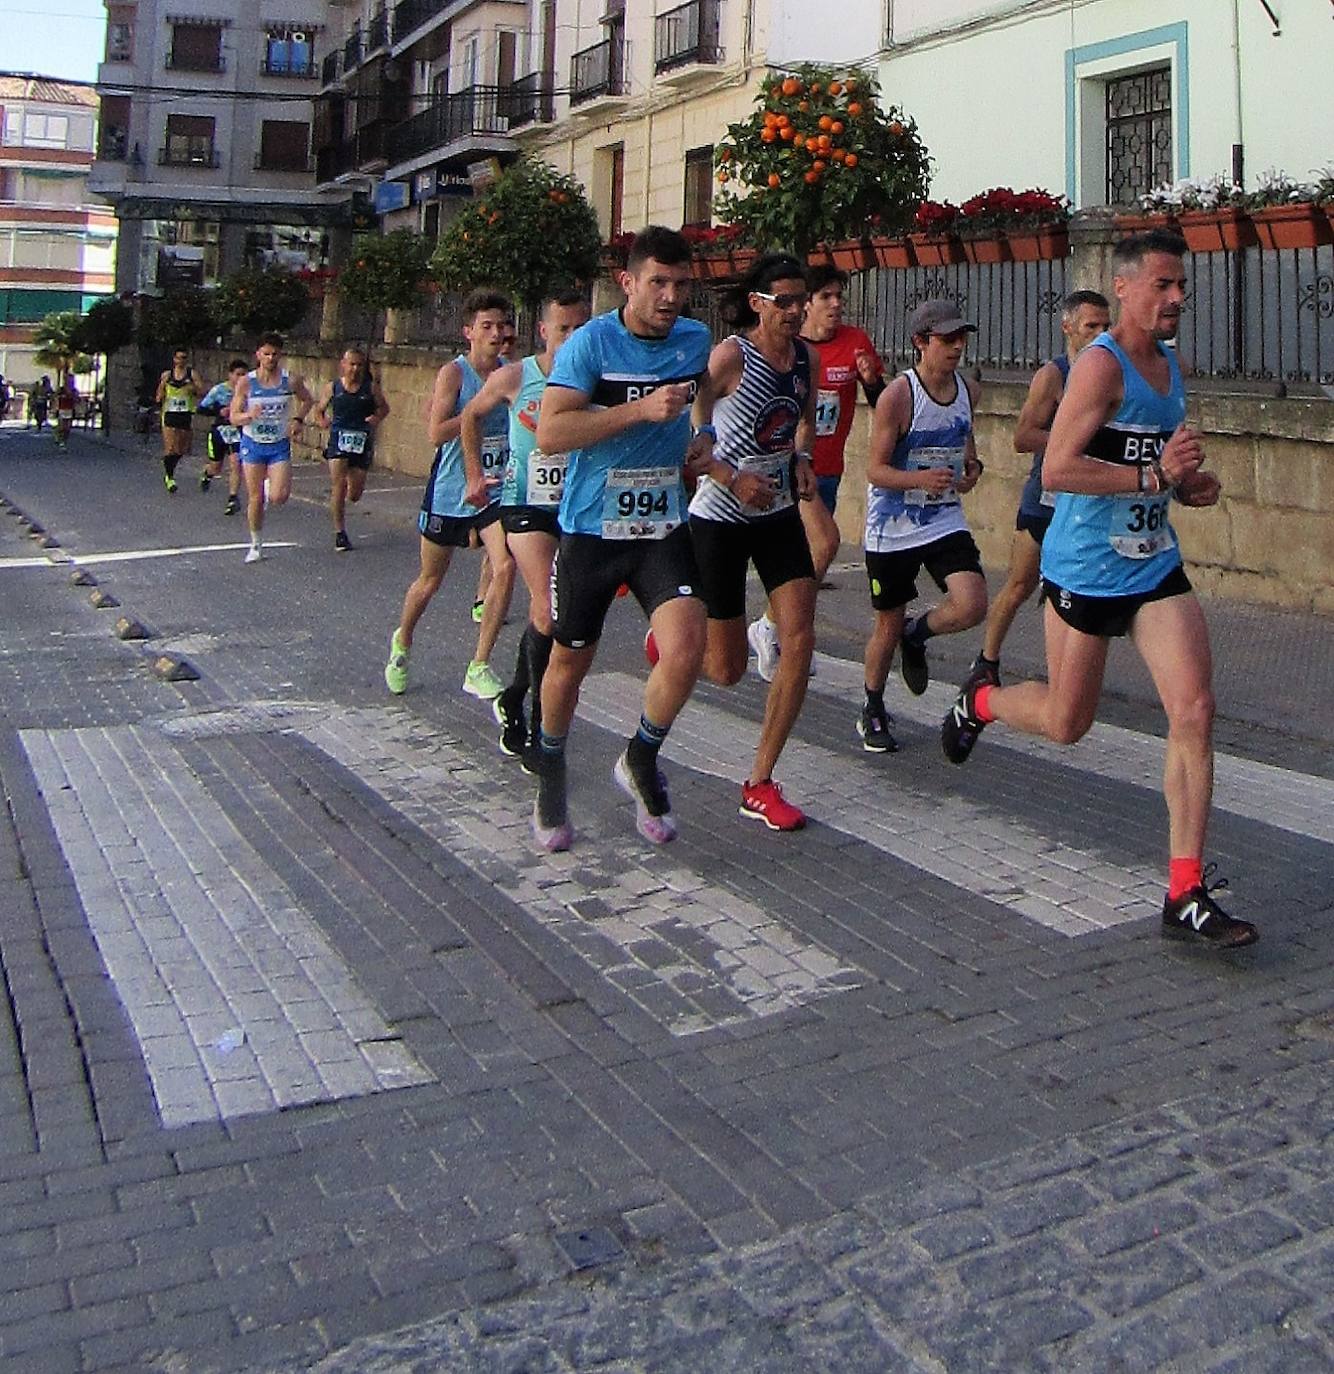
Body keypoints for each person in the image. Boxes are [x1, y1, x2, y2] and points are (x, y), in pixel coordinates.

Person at [941, 229, 1257, 949]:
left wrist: (1190, 487)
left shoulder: (1171, 366)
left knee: (1195, 709)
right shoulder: (1100, 368)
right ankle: (982, 700)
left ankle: (1185, 889)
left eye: (1182, 286)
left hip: (1152, 567)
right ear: (1125, 287)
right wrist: (1154, 478)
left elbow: (1164, 468)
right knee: (1066, 722)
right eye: (1164, 286)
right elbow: (1055, 469)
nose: (1178, 298)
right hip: (1084, 568)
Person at [531, 225, 713, 852]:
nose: (670, 297)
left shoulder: (695, 339)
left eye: (681, 285)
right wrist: (638, 410)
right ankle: (551, 768)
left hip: (662, 524)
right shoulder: (590, 344)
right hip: (590, 529)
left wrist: (704, 435)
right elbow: (551, 433)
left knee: (689, 644)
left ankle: (640, 756)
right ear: (627, 283)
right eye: (657, 283)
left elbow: (703, 396)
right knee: (568, 664)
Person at [680, 253, 820, 831]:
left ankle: (759, 781)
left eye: (801, 301)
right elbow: (694, 421)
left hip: (779, 511)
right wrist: (728, 475)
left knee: (801, 640)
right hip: (719, 515)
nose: (795, 311)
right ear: (758, 303)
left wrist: (802, 457)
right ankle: (674, 634)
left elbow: (804, 418)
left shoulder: (804, 357)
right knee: (726, 670)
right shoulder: (732, 355)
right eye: (783, 301)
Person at [462, 290, 590, 758]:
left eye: (581, 327)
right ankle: (539, 729)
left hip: (576, 506)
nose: (574, 337)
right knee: (547, 610)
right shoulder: (517, 377)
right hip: (524, 506)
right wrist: (474, 473)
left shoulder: (593, 381)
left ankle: (514, 695)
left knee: (565, 611)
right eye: (564, 329)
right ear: (543, 331)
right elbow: (470, 418)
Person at [745, 263, 885, 681]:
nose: (836, 304)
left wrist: (872, 381)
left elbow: (881, 401)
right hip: (785, 468)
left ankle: (779, 630)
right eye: (826, 297)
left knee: (802, 561)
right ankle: (776, 631)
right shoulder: (789, 348)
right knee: (825, 544)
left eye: (839, 296)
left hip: (827, 471)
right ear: (806, 305)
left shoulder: (855, 341)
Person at [858, 299, 986, 752]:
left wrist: (972, 469)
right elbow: (874, 469)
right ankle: (873, 707)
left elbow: (966, 444)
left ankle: (920, 633)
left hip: (942, 517)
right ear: (920, 342)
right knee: (886, 625)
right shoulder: (899, 395)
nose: (956, 347)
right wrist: (917, 478)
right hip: (892, 526)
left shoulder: (968, 390)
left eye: (961, 338)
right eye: (946, 339)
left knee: (972, 603)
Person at [967, 290, 1111, 687]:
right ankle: (986, 660)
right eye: (1091, 326)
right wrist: (1067, 440)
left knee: (1081, 588)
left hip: (1087, 502)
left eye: (1106, 326)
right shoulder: (1054, 375)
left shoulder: (1113, 373)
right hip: (1046, 500)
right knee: (1019, 584)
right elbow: (1023, 436)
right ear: (1068, 328)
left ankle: (1067, 675)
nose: (1101, 334)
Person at [383, 289, 515, 700]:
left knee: (505, 566)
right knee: (430, 580)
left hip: (493, 488)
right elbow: (436, 433)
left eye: (501, 325)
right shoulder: (454, 374)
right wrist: (475, 409)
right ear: (469, 332)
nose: (495, 334)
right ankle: (403, 641)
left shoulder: (511, 373)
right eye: (486, 326)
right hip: (449, 490)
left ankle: (479, 664)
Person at [229, 333, 314, 564]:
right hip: (253, 444)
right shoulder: (246, 382)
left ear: (280, 355)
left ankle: (271, 488)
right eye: (266, 353)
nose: (270, 358)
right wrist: (248, 415)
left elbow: (307, 400)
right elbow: (233, 416)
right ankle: (256, 544)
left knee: (279, 497)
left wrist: (297, 420)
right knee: (254, 498)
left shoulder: (290, 381)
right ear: (258, 355)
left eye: (275, 353)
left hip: (278, 444)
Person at [314, 347, 389, 551]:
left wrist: (376, 418)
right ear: (343, 365)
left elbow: (384, 408)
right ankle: (340, 532)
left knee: (354, 493)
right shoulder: (333, 387)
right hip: (339, 439)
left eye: (359, 365)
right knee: (338, 485)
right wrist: (322, 421)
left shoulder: (371, 388)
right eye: (351, 364)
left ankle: (348, 489)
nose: (354, 369)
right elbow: (319, 410)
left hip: (361, 440)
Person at [197, 359, 249, 515]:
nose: (240, 378)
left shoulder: (250, 391)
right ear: (230, 375)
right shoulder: (218, 390)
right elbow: (201, 409)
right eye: (237, 374)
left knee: (236, 463)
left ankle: (233, 498)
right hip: (220, 432)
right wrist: (218, 412)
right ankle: (207, 474)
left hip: (238, 432)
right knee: (216, 467)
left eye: (244, 375)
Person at [155, 349, 204, 491]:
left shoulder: (192, 374)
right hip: (169, 413)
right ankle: (169, 478)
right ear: (174, 359)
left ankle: (170, 469)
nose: (181, 360)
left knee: (181, 449)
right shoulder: (167, 375)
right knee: (170, 448)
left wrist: (192, 388)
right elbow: (159, 395)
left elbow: (202, 391)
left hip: (185, 414)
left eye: (184, 358)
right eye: (179, 358)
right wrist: (161, 394)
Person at [54, 376, 78, 448]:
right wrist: (56, 408)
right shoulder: (61, 389)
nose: (71, 382)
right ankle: (60, 440)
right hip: (62, 409)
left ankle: (64, 441)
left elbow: (77, 400)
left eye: (72, 381)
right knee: (62, 427)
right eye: (69, 381)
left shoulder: (74, 390)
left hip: (70, 410)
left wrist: (74, 398)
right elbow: (55, 397)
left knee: (68, 428)